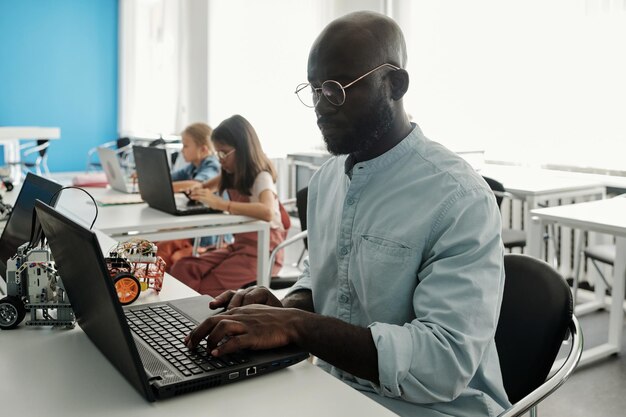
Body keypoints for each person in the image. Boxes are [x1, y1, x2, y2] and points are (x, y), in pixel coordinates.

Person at [184, 11, 510, 417]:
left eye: (336, 90)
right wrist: (284, 309)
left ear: (394, 84)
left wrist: (295, 327)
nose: (320, 106)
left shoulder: (459, 197)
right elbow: (323, 276)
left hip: (437, 408)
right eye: (314, 89)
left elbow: (442, 364)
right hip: (335, 388)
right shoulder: (325, 182)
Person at [170, 114, 288, 296]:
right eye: (217, 153)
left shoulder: (260, 177)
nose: (220, 159)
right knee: (184, 267)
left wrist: (222, 204)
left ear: (242, 150)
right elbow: (202, 185)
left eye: (224, 153)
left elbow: (267, 212)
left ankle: (195, 319)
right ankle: (176, 318)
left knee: (206, 287)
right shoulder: (231, 172)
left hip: (263, 253)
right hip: (239, 247)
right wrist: (197, 191)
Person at [156, 122, 221, 268]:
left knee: (162, 251)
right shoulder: (193, 166)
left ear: (203, 149)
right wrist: (149, 176)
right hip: (193, 230)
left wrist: (163, 187)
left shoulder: (212, 166)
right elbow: (168, 177)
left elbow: (196, 185)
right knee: (152, 243)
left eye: (186, 146)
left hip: (207, 238)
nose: (182, 150)